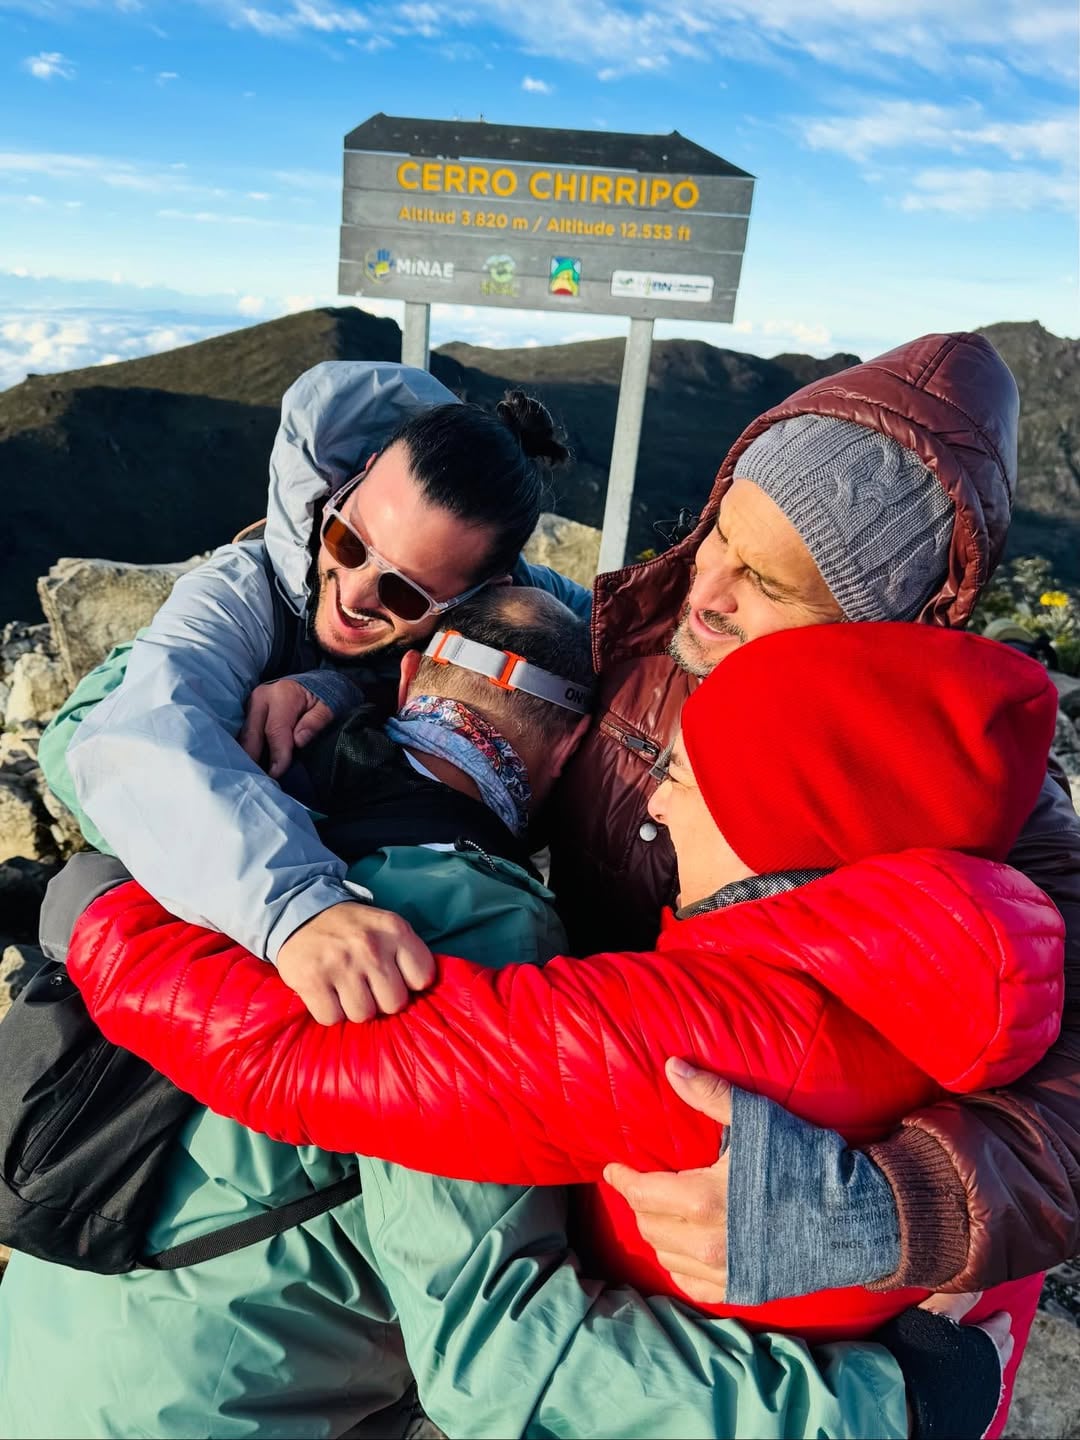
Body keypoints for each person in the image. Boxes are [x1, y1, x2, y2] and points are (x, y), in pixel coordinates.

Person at [62, 620, 1062, 1440]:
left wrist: (103, 912)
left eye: (687, 771)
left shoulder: (672, 1028)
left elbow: (299, 1060)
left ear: (778, 817)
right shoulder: (987, 1025)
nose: (656, 801)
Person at [37, 362, 585, 1026]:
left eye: (405, 592)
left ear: (484, 590)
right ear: (352, 481)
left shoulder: (515, 602)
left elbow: (626, 630)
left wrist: (347, 688)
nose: (353, 594)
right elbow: (142, 736)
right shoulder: (243, 590)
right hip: (113, 727)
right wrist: (298, 910)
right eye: (346, 540)